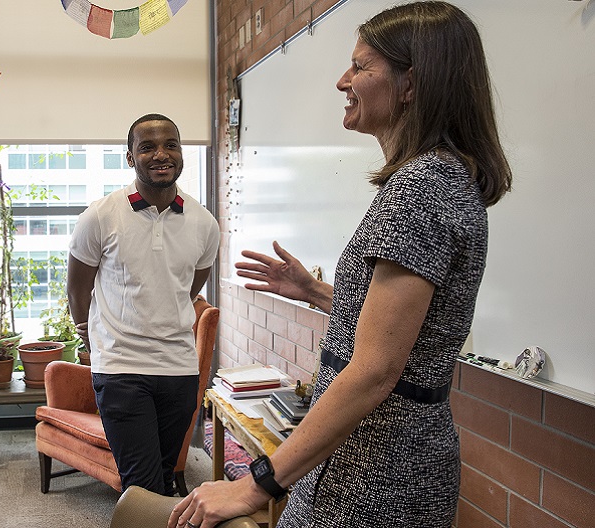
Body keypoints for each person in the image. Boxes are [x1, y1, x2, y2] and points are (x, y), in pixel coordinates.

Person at [169, 2, 511, 527]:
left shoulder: (421, 188)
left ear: (411, 85)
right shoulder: (442, 178)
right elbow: (405, 329)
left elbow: (375, 370)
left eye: (361, 67)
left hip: (374, 473)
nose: (341, 81)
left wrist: (255, 486)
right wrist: (318, 293)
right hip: (391, 460)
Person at [67, 113, 220, 496]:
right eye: (147, 147)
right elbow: (77, 290)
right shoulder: (100, 216)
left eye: (170, 144)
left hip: (179, 369)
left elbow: (187, 289)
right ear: (130, 158)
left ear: (181, 153)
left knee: (163, 479)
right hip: (121, 367)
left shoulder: (205, 224)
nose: (161, 154)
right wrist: (89, 340)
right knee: (143, 485)